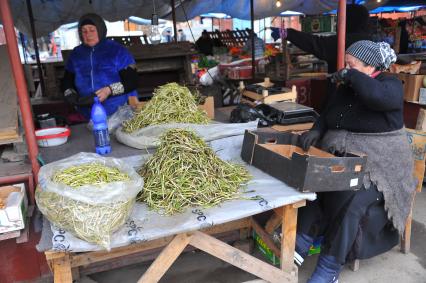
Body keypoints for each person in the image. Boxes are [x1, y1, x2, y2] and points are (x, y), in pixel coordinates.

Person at [296, 41, 416, 283]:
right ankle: (300, 243)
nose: (345, 68)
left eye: (351, 64)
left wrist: (351, 76)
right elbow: (328, 114)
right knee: (313, 184)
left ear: (370, 66)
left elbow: (377, 98)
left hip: (382, 168)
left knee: (351, 197)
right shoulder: (347, 87)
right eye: (346, 64)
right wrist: (316, 130)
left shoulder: (389, 84)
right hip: (346, 157)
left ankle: (330, 267)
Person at [61, 13, 138, 120]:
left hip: (117, 111)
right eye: (84, 31)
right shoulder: (76, 54)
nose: (88, 34)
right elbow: (67, 79)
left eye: (92, 30)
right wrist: (69, 92)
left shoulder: (117, 50)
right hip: (87, 111)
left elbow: (132, 81)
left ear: (100, 30)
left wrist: (109, 90)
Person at [271, 4, 372, 73]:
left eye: (340, 19)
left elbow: (318, 44)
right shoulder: (370, 40)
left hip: (347, 94)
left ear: (349, 20)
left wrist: (286, 32)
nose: (337, 24)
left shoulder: (348, 41)